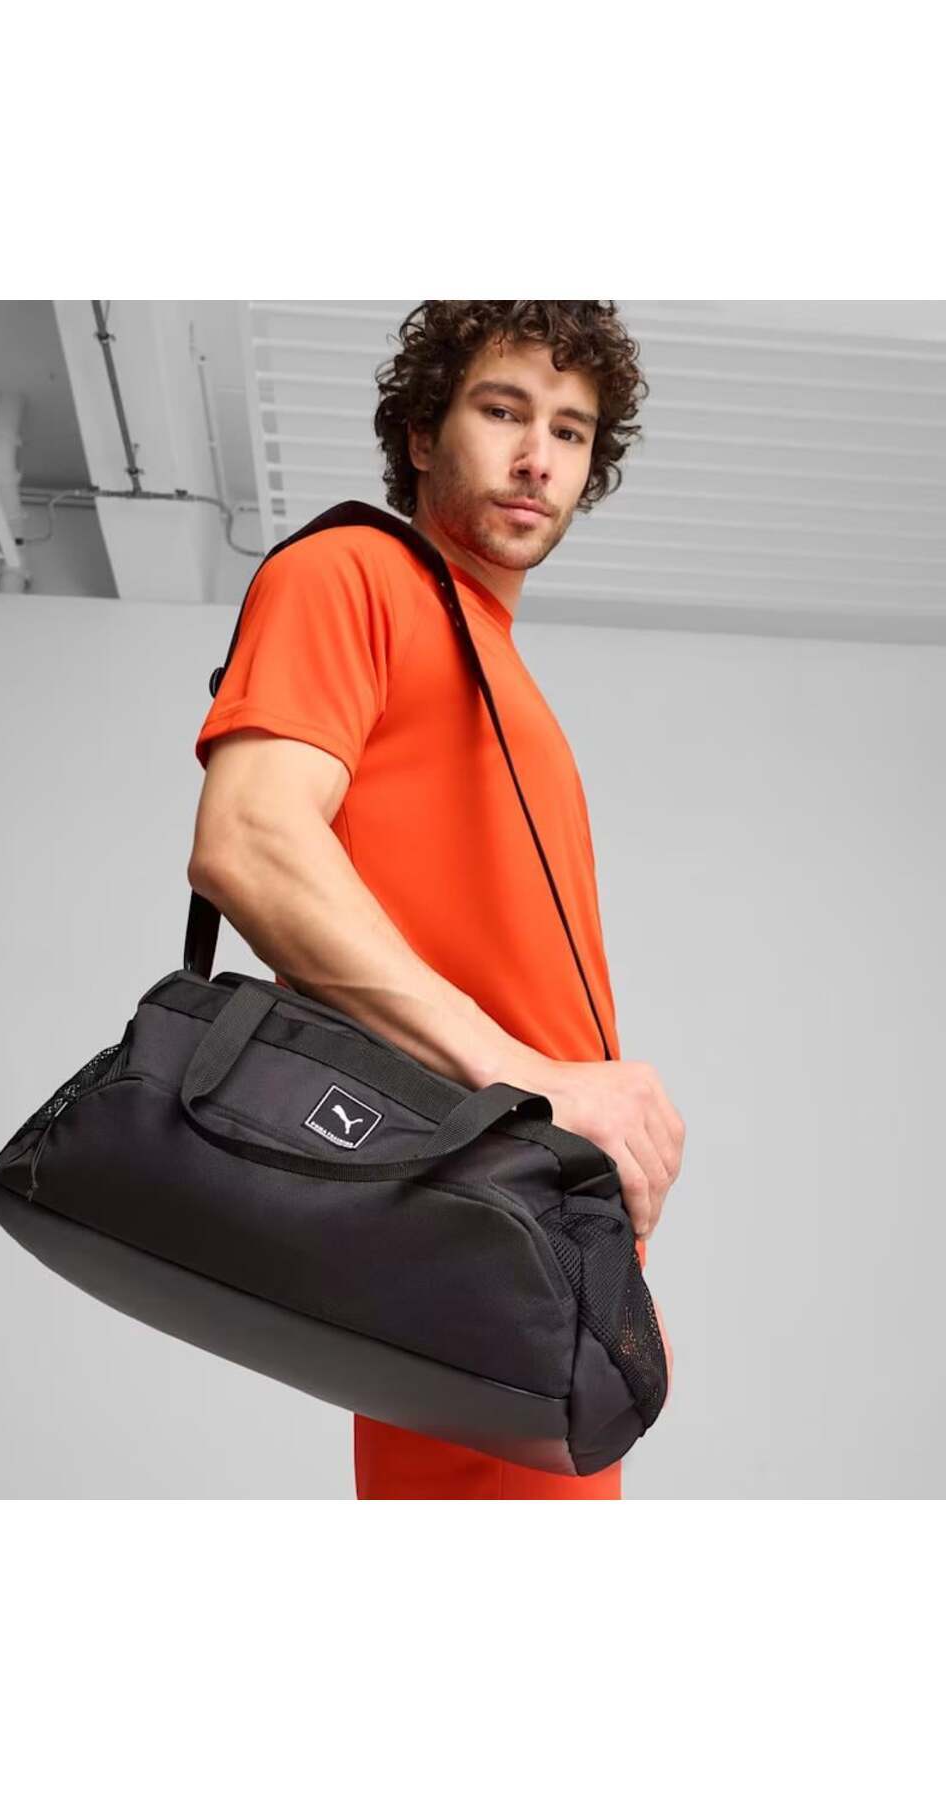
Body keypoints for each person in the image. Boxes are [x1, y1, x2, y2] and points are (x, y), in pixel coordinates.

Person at [190, 300, 683, 1499]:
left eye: (569, 431)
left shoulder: (502, 667)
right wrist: (537, 1086)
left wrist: (599, 1221)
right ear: (421, 434)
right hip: (465, 1207)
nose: (537, 458)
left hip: (540, 1233)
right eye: (503, 411)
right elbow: (250, 841)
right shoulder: (350, 572)